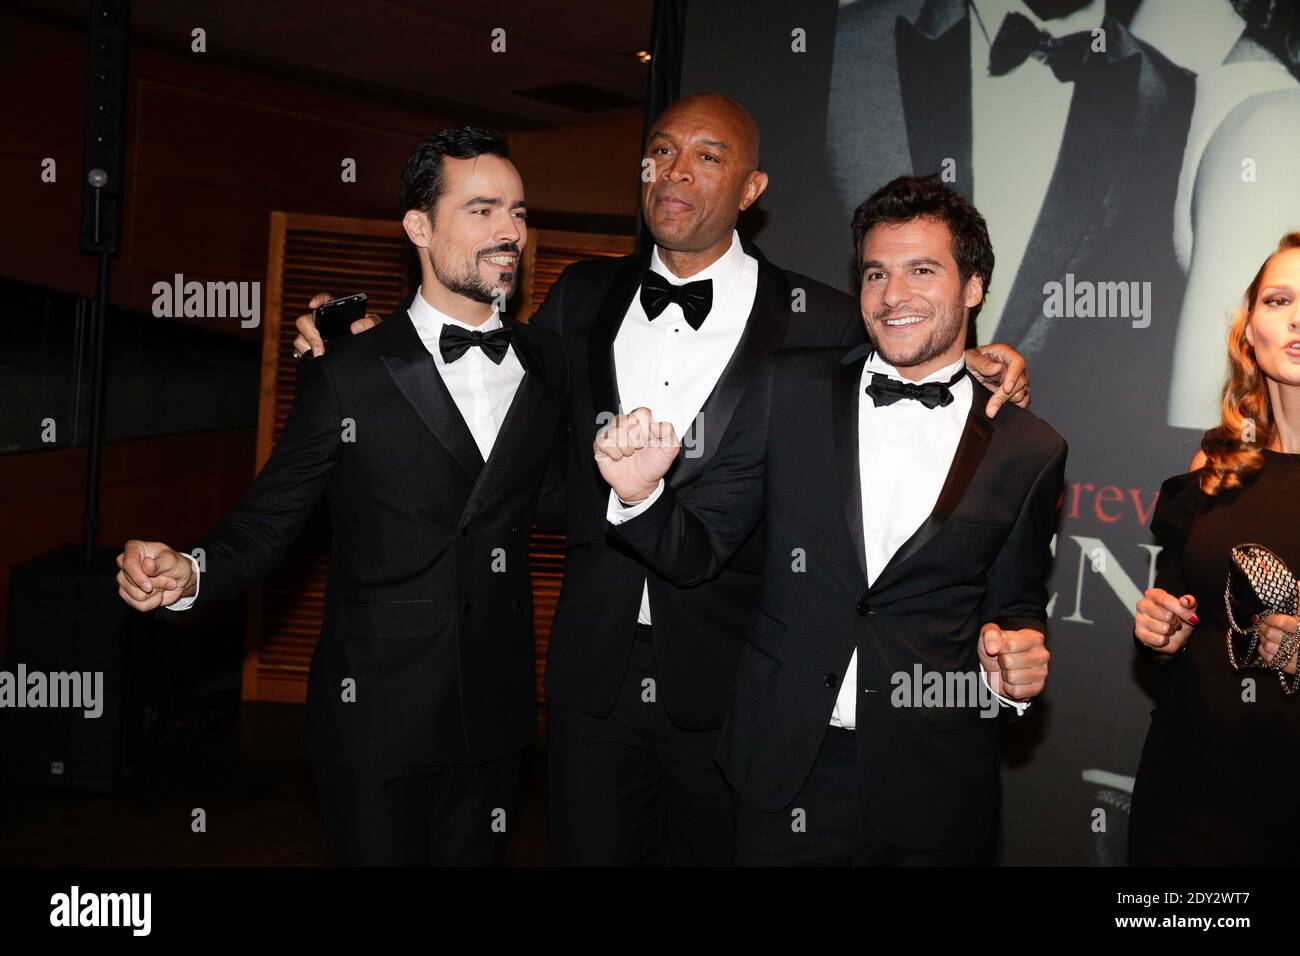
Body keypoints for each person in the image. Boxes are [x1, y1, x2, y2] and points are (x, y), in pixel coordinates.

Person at [293, 93, 1033, 866]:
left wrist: (988, 360)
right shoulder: (581, 294)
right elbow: (486, 381)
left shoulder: (826, 316)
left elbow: (917, 376)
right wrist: (364, 342)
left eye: (709, 156)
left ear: (751, 191)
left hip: (734, 679)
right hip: (593, 674)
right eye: (662, 150)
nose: (675, 171)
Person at [114, 127, 569, 866]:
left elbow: (549, 497)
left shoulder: (548, 361)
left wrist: (637, 485)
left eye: (517, 212)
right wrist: (191, 569)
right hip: (375, 718)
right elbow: (269, 522)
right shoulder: (348, 371)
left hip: (499, 714)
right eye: (483, 209)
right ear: (419, 227)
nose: (510, 232)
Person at [596, 175, 1065, 865]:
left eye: (922, 271)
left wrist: (1011, 670)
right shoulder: (790, 390)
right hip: (783, 770)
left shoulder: (1031, 448)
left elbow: (1015, 603)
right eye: (876, 273)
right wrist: (642, 496)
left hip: (933, 787)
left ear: (973, 287)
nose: (893, 295)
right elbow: (700, 549)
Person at [1131, 232, 1300, 865]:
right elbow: (1179, 619)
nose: (1297, 319)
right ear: (1249, 330)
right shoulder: (1218, 462)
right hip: (1191, 796)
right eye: (1280, 299)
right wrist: (1162, 632)